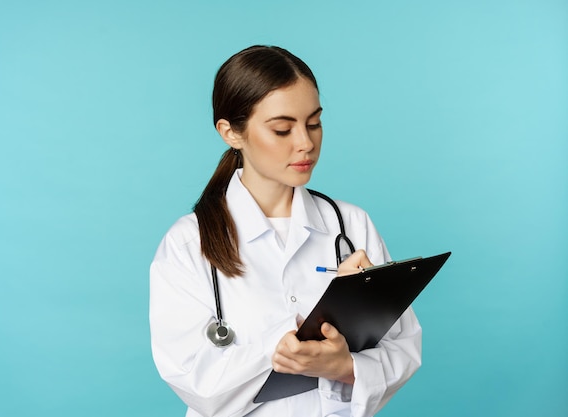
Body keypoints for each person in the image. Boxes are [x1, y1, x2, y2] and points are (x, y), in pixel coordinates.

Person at [149, 45, 422, 417]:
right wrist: (301, 333)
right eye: (282, 129)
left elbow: (404, 348)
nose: (305, 143)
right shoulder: (187, 243)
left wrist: (343, 367)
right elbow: (198, 387)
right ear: (231, 132)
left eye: (314, 123)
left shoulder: (351, 226)